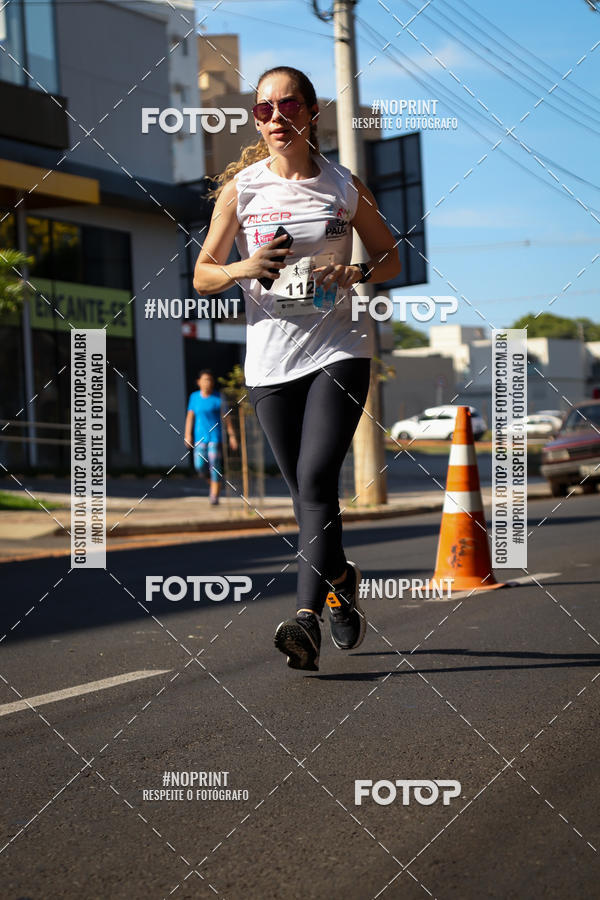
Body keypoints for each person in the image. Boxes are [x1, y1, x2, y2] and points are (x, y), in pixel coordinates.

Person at [193, 66, 401, 669]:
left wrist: (354, 272)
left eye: (287, 105)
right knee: (305, 496)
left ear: (311, 112)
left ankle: (305, 618)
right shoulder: (244, 190)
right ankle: (340, 579)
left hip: (339, 347)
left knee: (315, 481)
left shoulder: (343, 184)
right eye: (263, 110)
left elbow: (389, 255)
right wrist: (244, 267)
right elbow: (204, 276)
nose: (275, 118)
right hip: (270, 363)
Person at [184, 369, 237, 505]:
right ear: (199, 382)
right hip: (199, 438)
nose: (207, 382)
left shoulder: (218, 398)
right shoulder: (194, 397)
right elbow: (190, 417)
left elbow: (226, 418)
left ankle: (214, 495)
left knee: (215, 466)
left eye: (210, 380)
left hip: (215, 438)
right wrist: (187, 434)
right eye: (205, 380)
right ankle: (215, 482)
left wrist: (232, 436)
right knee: (200, 466)